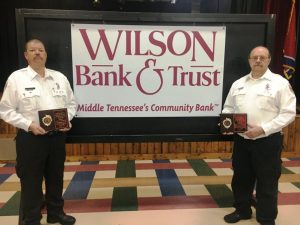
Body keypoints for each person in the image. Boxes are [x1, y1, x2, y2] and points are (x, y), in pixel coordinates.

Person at [0, 39, 77, 225]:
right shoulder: (16, 79)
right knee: (31, 181)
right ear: (26, 55)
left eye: (41, 50)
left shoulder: (59, 78)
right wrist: (28, 124)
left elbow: (71, 104)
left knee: (55, 177)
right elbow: (5, 110)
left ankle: (55, 213)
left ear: (45, 54)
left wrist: (67, 120)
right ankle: (31, 218)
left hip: (57, 137)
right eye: (32, 50)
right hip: (31, 138)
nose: (37, 53)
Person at [222, 46, 296, 225]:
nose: (258, 60)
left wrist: (263, 129)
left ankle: (266, 217)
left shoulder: (280, 83)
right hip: (242, 141)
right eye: (255, 57)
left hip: (268, 141)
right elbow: (228, 109)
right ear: (249, 60)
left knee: (267, 182)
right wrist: (235, 126)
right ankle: (242, 210)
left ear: (269, 60)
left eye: (262, 57)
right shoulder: (238, 83)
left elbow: (288, 113)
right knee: (241, 179)